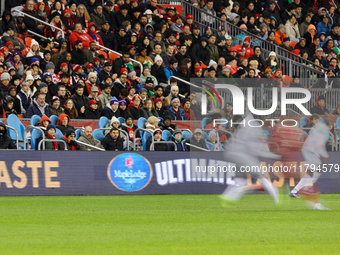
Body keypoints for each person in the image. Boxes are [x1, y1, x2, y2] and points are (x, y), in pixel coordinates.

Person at [220, 114, 281, 206]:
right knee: (261, 176)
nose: (269, 122)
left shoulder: (248, 124)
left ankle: (229, 196)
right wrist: (275, 156)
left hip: (233, 153)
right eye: (268, 120)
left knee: (241, 177)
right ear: (263, 119)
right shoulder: (254, 128)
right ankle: (275, 195)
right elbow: (254, 149)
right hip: (242, 155)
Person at [290, 113, 332, 210]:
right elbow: (319, 143)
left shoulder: (319, 126)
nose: (329, 118)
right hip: (311, 150)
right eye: (328, 116)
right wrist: (325, 155)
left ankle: (295, 191)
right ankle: (307, 188)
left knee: (311, 172)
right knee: (318, 169)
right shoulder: (323, 129)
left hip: (308, 149)